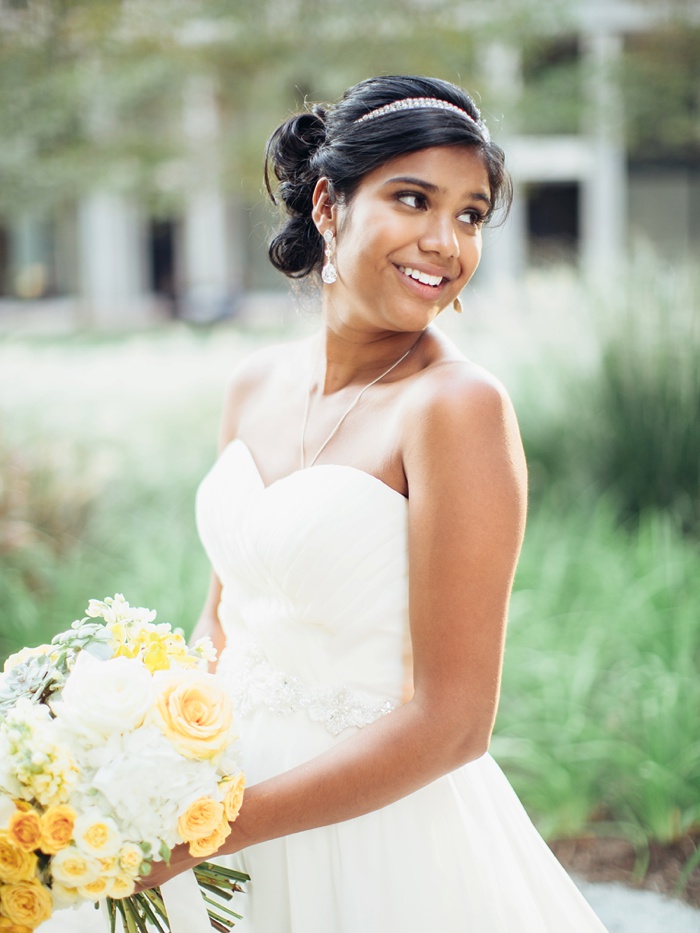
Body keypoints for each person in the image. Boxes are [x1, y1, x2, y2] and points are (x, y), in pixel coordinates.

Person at [140, 75, 610, 931]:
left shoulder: (456, 407)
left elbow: (454, 722)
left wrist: (208, 832)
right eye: (413, 199)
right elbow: (222, 624)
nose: (445, 241)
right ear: (328, 203)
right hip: (211, 805)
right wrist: (134, 758)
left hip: (373, 839)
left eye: (470, 215)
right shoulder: (252, 386)